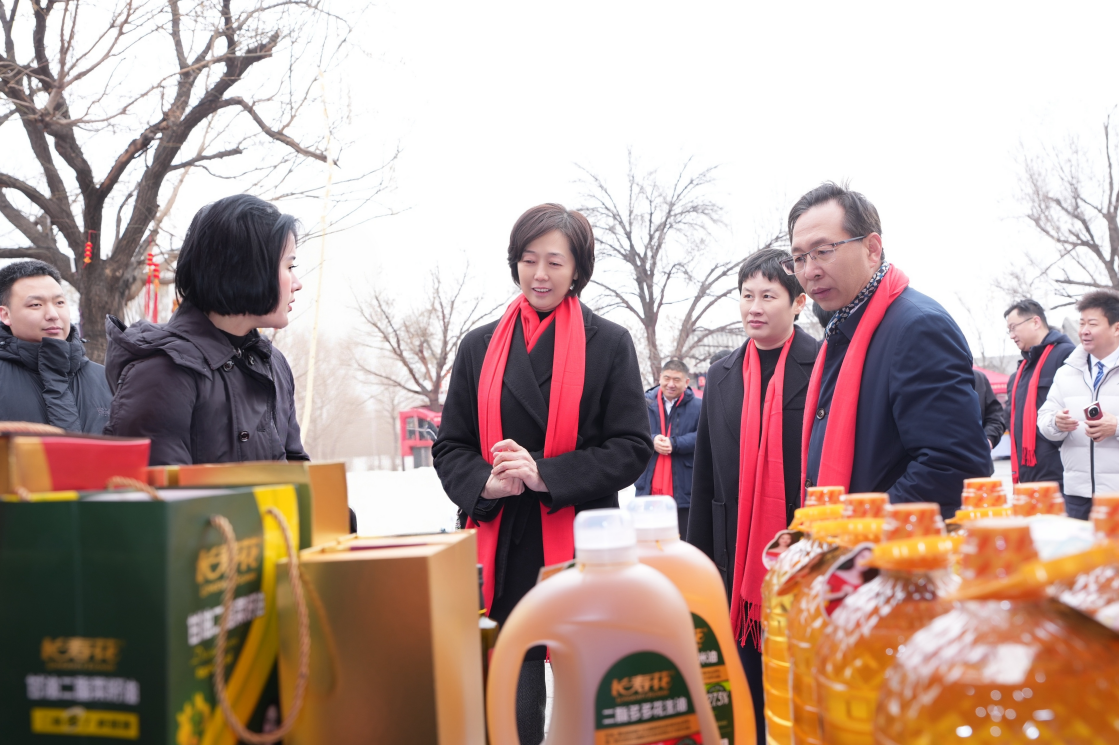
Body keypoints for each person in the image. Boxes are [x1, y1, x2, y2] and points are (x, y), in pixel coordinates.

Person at [432, 203, 653, 744]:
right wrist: (485, 481)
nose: (540, 275)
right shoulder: (479, 345)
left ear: (577, 269)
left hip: (583, 544)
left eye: (555, 262)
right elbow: (450, 446)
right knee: (513, 699)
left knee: (588, 696)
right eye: (528, 260)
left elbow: (631, 448)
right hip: (502, 542)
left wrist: (546, 474)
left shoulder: (610, 342)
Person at [686, 247, 820, 745]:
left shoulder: (822, 365)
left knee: (796, 696)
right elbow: (704, 476)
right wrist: (697, 562)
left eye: (769, 295)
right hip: (732, 555)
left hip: (795, 553)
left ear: (798, 302)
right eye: (746, 295)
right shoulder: (720, 375)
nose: (754, 307)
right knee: (742, 694)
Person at [792, 182, 989, 518]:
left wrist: (860, 526)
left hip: (889, 556)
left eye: (823, 250)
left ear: (872, 249)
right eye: (798, 258)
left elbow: (953, 466)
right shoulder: (842, 329)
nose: (809, 270)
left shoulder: (917, 327)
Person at [104, 194, 308, 465]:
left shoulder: (273, 363)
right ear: (244, 270)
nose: (297, 283)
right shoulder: (161, 372)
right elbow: (156, 498)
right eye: (289, 266)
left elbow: (297, 472)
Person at [0, 260, 111, 432]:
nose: (52, 314)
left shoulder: (106, 379)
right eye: (36, 305)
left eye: (59, 303)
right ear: (5, 314)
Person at [1038, 290, 1119, 519]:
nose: (1084, 330)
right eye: (1081, 322)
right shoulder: (1067, 372)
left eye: (1092, 323)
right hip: (1077, 494)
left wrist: (1116, 427)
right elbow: (1044, 417)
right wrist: (1056, 423)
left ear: (1116, 327)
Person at [1002, 299, 1075, 489]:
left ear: (1035, 322)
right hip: (1027, 474)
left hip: (1058, 473)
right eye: (1008, 330)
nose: (1011, 335)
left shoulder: (1066, 355)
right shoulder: (1022, 370)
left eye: (1014, 327)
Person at [634, 359, 700, 535]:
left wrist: (674, 443)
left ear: (686, 382)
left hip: (684, 484)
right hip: (648, 481)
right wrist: (652, 440)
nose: (671, 384)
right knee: (648, 540)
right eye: (667, 378)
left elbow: (703, 436)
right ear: (660, 378)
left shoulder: (699, 406)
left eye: (677, 380)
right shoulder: (644, 403)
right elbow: (632, 431)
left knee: (683, 539)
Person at [974, 369, 1002, 476]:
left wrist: (989, 439)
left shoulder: (978, 378)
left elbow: (995, 417)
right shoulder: (923, 376)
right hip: (930, 471)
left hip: (978, 467)